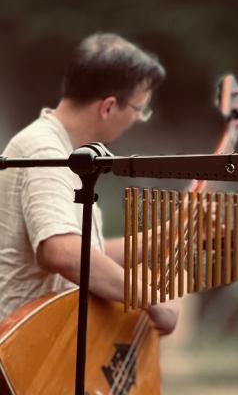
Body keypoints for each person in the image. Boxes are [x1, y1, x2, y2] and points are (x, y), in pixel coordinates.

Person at [0, 33, 178, 334]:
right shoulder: (44, 149)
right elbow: (62, 251)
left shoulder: (64, 151)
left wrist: (167, 236)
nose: (139, 119)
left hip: (45, 345)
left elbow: (86, 253)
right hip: (21, 353)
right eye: (139, 109)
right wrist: (152, 301)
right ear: (108, 107)